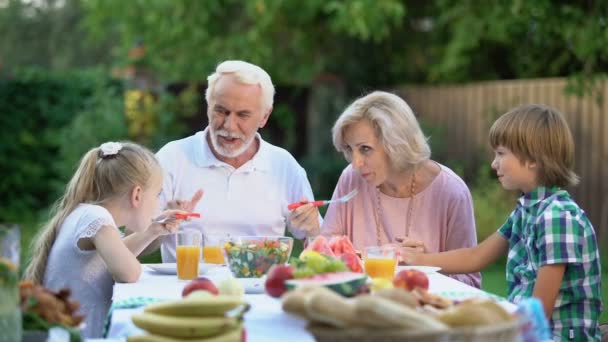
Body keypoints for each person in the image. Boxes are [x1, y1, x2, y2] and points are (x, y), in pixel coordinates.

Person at [403, 104, 603, 340]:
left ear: (532, 159)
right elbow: (476, 257)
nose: (493, 163)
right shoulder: (526, 210)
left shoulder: (557, 218)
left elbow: (538, 312)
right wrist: (418, 260)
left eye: (500, 153)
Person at [156, 60, 320, 262]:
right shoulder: (172, 158)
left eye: (243, 115)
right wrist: (160, 225)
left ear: (264, 117)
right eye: (221, 111)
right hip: (187, 289)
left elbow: (318, 242)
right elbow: (135, 240)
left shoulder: (283, 165)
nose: (229, 125)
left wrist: (313, 227)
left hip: (259, 290)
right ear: (208, 106)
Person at [24, 142, 187, 338]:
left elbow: (108, 260)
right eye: (157, 194)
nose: (158, 202)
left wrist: (153, 231)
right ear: (137, 195)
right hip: (82, 336)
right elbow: (128, 273)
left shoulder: (88, 214)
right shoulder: (96, 218)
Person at [321, 91, 481, 288]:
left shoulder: (452, 192)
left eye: (365, 149)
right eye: (349, 149)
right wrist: (312, 227)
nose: (355, 163)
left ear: (396, 143)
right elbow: (323, 259)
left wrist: (427, 265)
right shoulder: (351, 179)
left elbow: (470, 283)